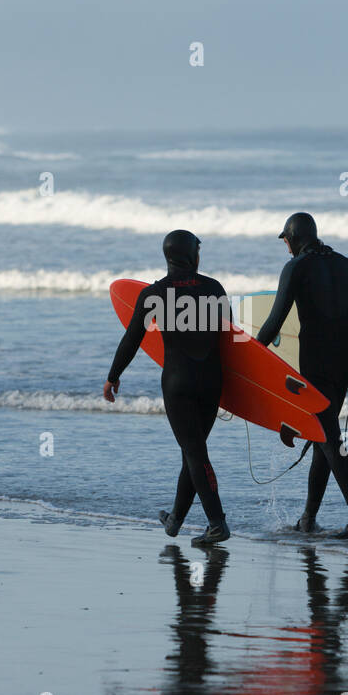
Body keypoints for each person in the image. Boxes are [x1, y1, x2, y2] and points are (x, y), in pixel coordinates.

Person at [104, 230, 232, 546]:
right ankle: (175, 521)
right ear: (191, 255)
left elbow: (132, 338)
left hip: (179, 383)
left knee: (194, 451)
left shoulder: (154, 294)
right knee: (193, 451)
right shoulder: (214, 289)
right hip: (212, 382)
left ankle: (217, 524)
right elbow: (230, 341)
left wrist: (113, 376)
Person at [256, 212, 348, 538]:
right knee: (323, 436)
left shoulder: (295, 267)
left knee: (328, 438)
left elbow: (274, 322)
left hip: (317, 365)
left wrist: (248, 358)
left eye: (285, 240)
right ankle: (308, 519)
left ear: (292, 237)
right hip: (343, 365)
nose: (285, 246)